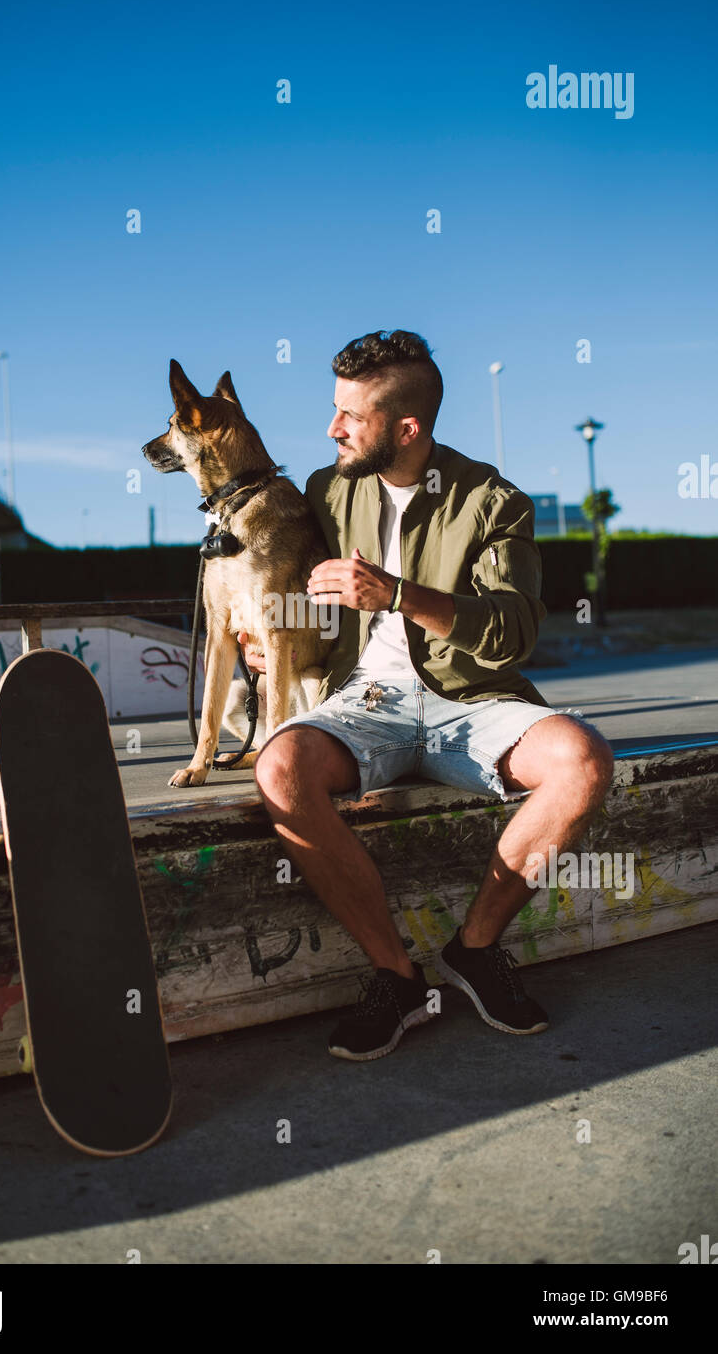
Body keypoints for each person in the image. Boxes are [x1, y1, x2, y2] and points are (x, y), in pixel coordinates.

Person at [243, 329, 614, 1062]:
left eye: (351, 417)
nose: (332, 429)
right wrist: (269, 632)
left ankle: (475, 950)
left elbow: (512, 632)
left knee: (583, 761)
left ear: (406, 428)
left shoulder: (491, 500)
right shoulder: (326, 489)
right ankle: (396, 975)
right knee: (279, 770)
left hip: (471, 699)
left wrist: (398, 595)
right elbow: (268, 554)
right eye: (333, 410)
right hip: (366, 702)